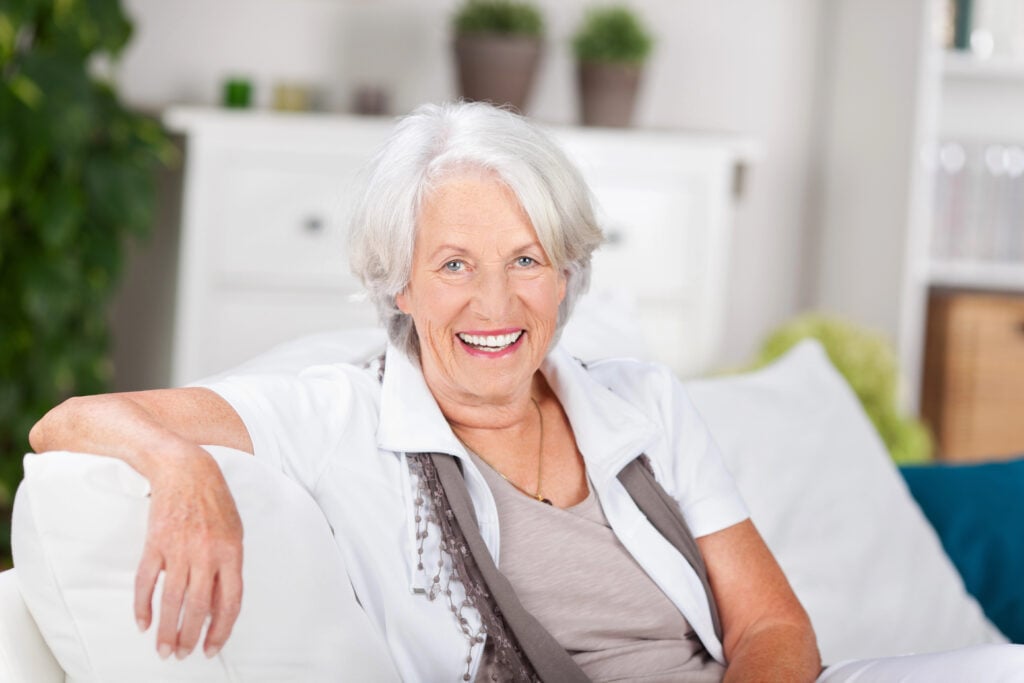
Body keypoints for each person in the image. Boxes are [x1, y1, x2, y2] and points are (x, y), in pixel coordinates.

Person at [28, 102, 1021, 682]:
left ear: (565, 274)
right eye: (453, 264)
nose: (495, 301)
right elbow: (68, 420)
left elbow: (773, 627)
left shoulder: (642, 401)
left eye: (526, 259)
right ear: (401, 282)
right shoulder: (338, 413)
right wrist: (180, 465)